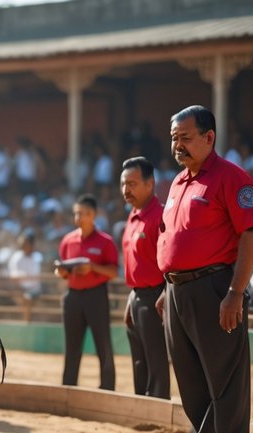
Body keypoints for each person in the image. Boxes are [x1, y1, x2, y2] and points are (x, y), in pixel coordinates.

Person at [152, 105, 253, 433]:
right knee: (190, 376)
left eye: (185, 137)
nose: (177, 145)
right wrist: (169, 285)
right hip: (177, 291)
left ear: (209, 137)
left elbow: (250, 234)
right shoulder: (179, 182)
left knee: (225, 377)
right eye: (173, 138)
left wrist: (235, 292)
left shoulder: (232, 178)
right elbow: (172, 237)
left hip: (216, 288)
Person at [54, 193, 117, 390]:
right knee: (71, 347)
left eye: (83, 213)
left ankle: (107, 389)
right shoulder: (67, 240)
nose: (79, 218)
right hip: (72, 296)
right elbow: (61, 271)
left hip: (96, 296)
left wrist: (93, 268)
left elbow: (114, 272)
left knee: (103, 345)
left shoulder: (105, 241)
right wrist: (61, 272)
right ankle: (68, 389)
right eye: (76, 213)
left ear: (93, 215)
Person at [118, 157, 168, 399]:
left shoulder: (161, 216)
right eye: (123, 184)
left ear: (150, 184)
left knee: (155, 360)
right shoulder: (133, 215)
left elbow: (172, 260)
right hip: (137, 296)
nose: (126, 190)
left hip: (156, 296)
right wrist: (131, 296)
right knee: (139, 360)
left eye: (132, 184)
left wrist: (166, 293)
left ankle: (157, 409)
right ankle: (141, 406)